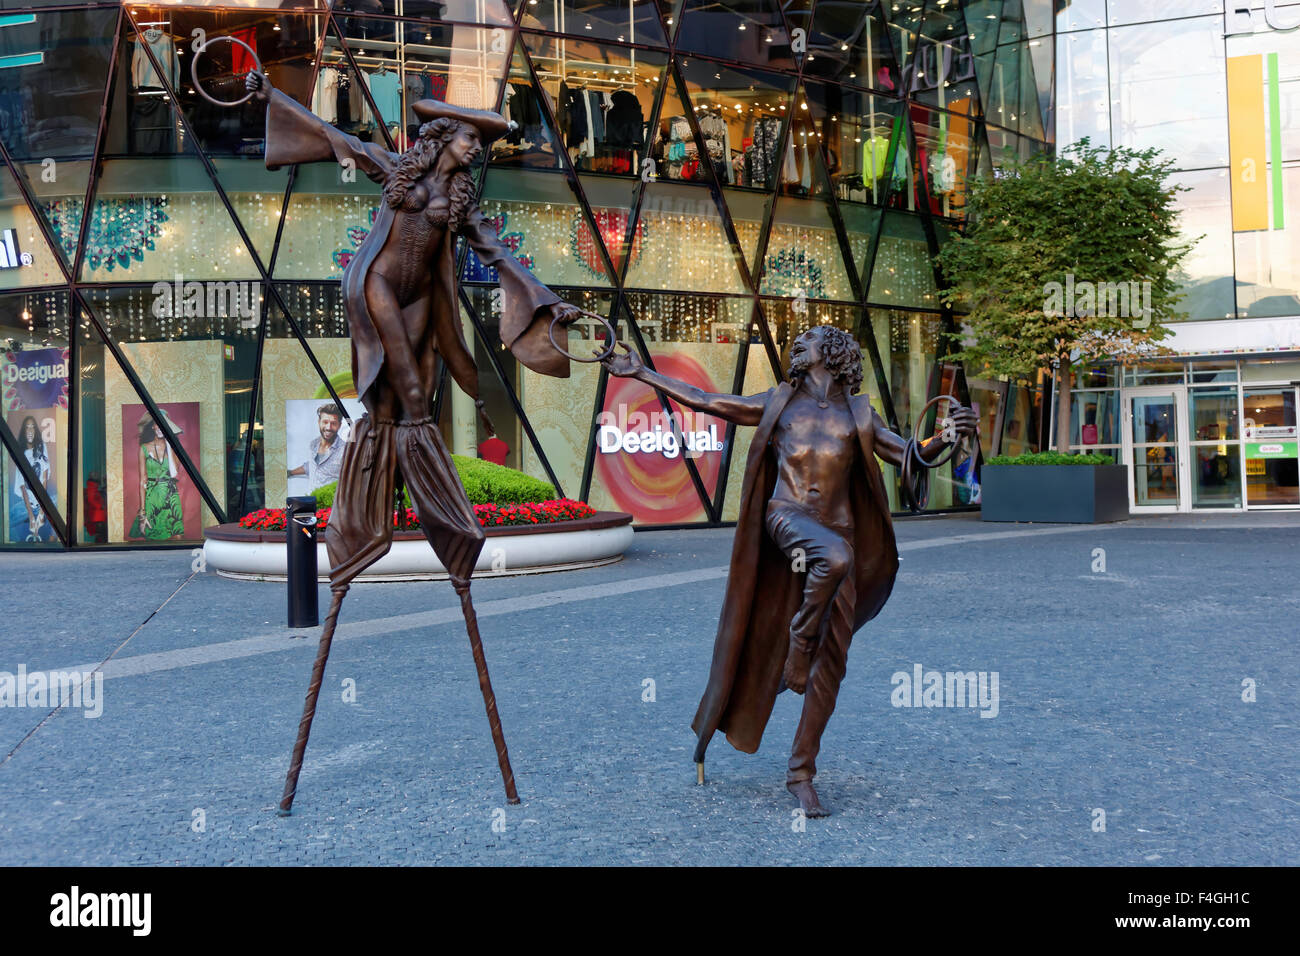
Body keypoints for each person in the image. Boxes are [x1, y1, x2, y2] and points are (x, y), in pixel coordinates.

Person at [604, 325, 977, 817]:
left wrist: (949, 436)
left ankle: (801, 772)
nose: (796, 345)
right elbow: (705, 400)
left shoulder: (859, 414)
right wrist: (642, 373)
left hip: (835, 536)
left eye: (809, 339)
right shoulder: (780, 403)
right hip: (787, 518)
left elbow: (911, 456)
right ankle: (799, 648)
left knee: (834, 668)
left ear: (835, 352)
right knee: (835, 562)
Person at [130, 410, 185, 541]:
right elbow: (142, 480)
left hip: (170, 494)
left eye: (164, 425)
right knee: (153, 536)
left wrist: (169, 443)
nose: (160, 428)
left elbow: (175, 472)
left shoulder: (172, 447)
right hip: (152, 496)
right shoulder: (144, 448)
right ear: (153, 426)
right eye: (157, 424)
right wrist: (142, 512)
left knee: (177, 535)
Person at [12, 415, 54, 542]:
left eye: (32, 427)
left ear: (35, 431)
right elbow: (22, 486)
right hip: (27, 505)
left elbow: (45, 479)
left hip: (42, 501)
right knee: (12, 522)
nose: (30, 430)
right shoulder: (21, 453)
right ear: (24, 432)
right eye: (27, 427)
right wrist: (31, 516)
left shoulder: (41, 447)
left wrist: (41, 512)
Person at [288, 402, 345, 492]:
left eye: (333, 423)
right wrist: (290, 473)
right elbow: (311, 466)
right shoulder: (313, 444)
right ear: (319, 422)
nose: (328, 427)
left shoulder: (345, 450)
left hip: (332, 503)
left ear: (339, 425)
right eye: (325, 422)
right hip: (312, 500)